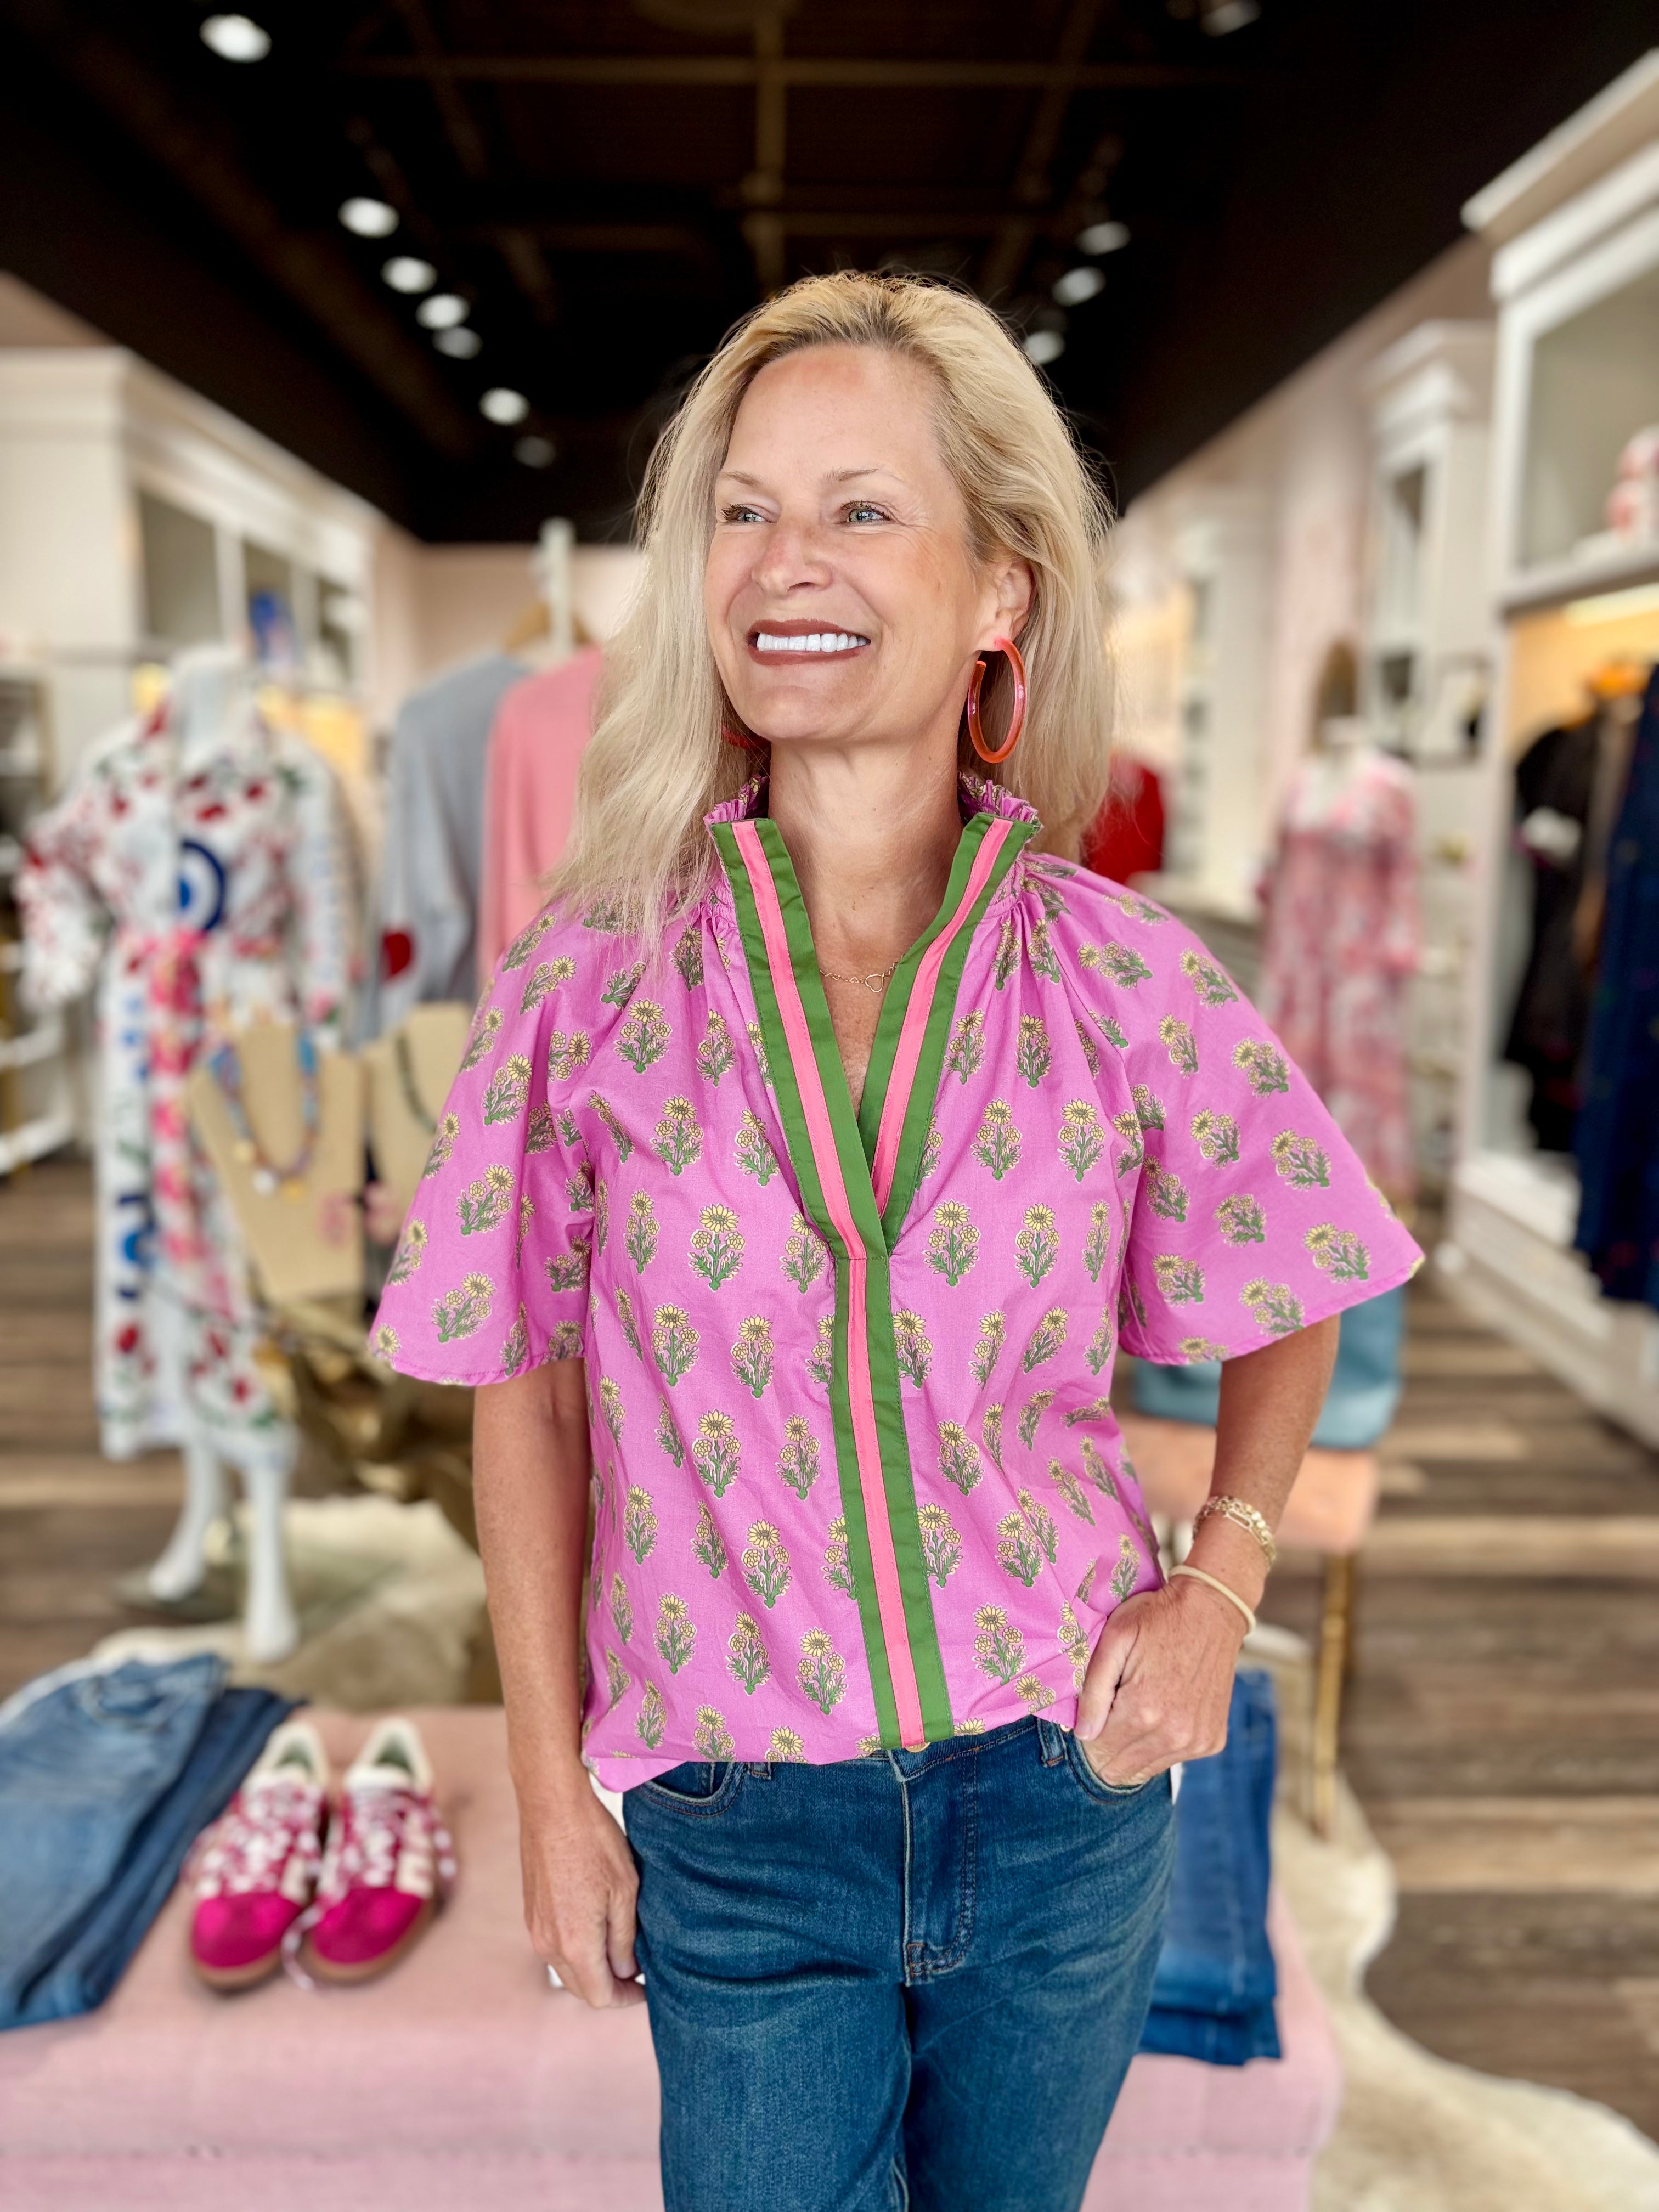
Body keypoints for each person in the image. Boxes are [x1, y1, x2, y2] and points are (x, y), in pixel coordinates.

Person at [371, 272, 1422, 2212]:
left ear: (1000, 586)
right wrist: (548, 1782)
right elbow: (518, 1388)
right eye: (746, 509)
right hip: (740, 1818)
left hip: (1063, 1800)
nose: (789, 561)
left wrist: (1222, 1583)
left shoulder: (1117, 974)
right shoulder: (591, 978)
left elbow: (1308, 1259)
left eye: (862, 508)